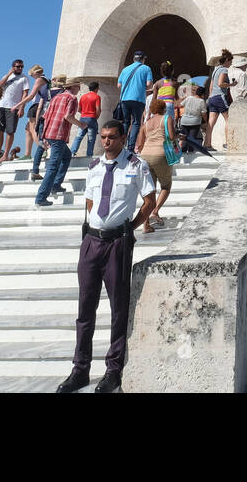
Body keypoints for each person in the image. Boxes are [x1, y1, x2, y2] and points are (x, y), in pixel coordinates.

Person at [56, 120, 156, 395]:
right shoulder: (93, 166)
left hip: (117, 243)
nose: (107, 141)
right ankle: (80, 369)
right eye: (103, 137)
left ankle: (113, 370)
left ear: (123, 138)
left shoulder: (137, 166)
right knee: (84, 309)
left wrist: (131, 227)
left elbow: (149, 199)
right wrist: (90, 227)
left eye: (112, 137)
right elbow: (89, 200)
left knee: (118, 309)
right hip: (91, 241)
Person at [36, 80, 87, 207]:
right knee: (53, 167)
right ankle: (41, 197)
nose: (79, 89)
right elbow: (68, 116)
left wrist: (45, 136)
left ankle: (56, 185)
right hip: (59, 134)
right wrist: (81, 124)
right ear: (73, 87)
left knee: (66, 156)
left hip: (51, 133)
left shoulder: (56, 97)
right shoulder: (72, 98)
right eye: (78, 87)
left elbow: (46, 116)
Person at [133, 99, 175, 232]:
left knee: (149, 192)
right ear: (164, 109)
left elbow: (139, 144)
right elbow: (172, 137)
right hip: (160, 154)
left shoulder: (146, 123)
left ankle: (146, 225)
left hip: (145, 156)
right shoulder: (166, 118)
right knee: (166, 186)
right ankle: (155, 211)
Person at [0, 59, 31, 163]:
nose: (20, 68)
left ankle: (5, 155)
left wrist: (22, 107)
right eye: (18, 66)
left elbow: (25, 94)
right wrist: (8, 74)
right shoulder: (7, 76)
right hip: (1, 106)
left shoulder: (24, 78)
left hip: (13, 107)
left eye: (21, 66)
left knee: (10, 131)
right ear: (13, 67)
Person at [117, 51, 153, 152]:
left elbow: (119, 85)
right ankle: (130, 148)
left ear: (134, 59)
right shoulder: (146, 68)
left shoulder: (125, 69)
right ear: (143, 59)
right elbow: (149, 84)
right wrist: (140, 87)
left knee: (126, 122)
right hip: (138, 99)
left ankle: (120, 146)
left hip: (124, 99)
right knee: (136, 123)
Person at [205, 49, 233, 151]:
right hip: (220, 97)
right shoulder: (224, 70)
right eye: (230, 62)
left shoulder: (215, 70)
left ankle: (207, 144)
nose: (231, 64)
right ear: (226, 61)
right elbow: (221, 83)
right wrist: (231, 84)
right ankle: (228, 144)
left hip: (212, 97)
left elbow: (211, 85)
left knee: (210, 122)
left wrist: (210, 96)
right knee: (229, 119)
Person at [22, 65, 50, 163]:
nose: (32, 77)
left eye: (32, 75)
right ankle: (27, 153)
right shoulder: (46, 79)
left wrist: (19, 104)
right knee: (27, 129)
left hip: (36, 106)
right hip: (39, 105)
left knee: (33, 129)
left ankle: (42, 149)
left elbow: (31, 96)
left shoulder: (40, 80)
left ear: (35, 73)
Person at [71, 81, 102, 156]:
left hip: (83, 118)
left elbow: (79, 109)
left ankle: (72, 153)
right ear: (96, 88)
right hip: (92, 119)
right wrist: (96, 117)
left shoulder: (83, 97)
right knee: (91, 139)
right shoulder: (97, 96)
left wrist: (84, 114)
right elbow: (98, 109)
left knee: (78, 137)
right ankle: (89, 155)